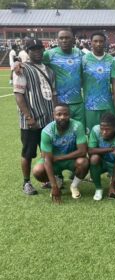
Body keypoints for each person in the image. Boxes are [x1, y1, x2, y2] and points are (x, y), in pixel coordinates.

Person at [13, 39, 57, 195]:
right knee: (28, 152)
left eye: (39, 49)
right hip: (31, 120)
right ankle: (26, 182)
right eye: (33, 49)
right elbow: (19, 96)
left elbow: (53, 95)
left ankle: (47, 179)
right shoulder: (22, 69)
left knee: (47, 151)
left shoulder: (50, 71)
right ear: (27, 51)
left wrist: (55, 113)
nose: (37, 52)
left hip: (48, 119)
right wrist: (28, 116)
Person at [32, 104, 89, 203]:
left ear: (69, 115)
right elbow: (47, 159)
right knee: (38, 171)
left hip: (70, 158)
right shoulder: (47, 131)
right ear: (53, 115)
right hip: (52, 161)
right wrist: (54, 186)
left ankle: (74, 186)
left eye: (65, 114)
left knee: (84, 162)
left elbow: (83, 151)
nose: (62, 117)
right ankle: (56, 182)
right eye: (59, 114)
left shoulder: (77, 126)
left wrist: (59, 158)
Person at [43, 29, 85, 127]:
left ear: (73, 40)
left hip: (78, 102)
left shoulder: (79, 53)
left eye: (67, 38)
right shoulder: (49, 54)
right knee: (62, 132)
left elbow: (94, 61)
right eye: (61, 38)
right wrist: (17, 63)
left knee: (79, 131)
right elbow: (34, 64)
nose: (64, 40)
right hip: (60, 103)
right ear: (57, 40)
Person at [83, 32, 115, 133]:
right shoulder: (84, 59)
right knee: (93, 134)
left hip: (107, 104)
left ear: (105, 43)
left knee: (108, 132)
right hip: (90, 105)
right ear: (90, 43)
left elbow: (114, 81)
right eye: (95, 41)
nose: (98, 44)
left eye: (101, 41)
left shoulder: (111, 59)